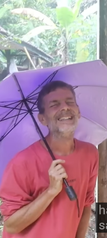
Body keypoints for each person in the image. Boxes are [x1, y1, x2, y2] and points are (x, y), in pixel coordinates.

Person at [0, 80, 99, 237]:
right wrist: (51, 191)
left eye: (69, 102)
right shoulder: (21, 163)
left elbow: (86, 204)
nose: (65, 107)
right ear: (42, 119)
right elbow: (12, 225)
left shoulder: (90, 153)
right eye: (54, 105)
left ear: (78, 111)